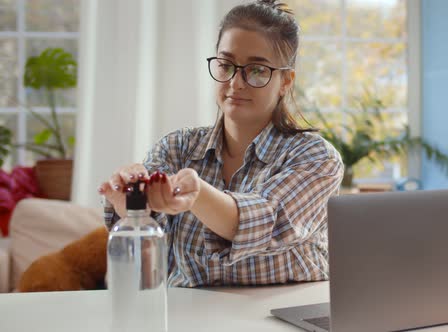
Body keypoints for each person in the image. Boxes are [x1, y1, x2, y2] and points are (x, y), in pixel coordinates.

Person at [98, 0, 343, 287]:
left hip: (281, 318)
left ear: (286, 80)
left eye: (257, 70)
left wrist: (197, 194)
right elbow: (149, 238)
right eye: (226, 65)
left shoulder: (315, 158)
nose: (236, 83)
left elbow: (264, 219)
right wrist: (132, 201)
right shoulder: (177, 148)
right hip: (189, 318)